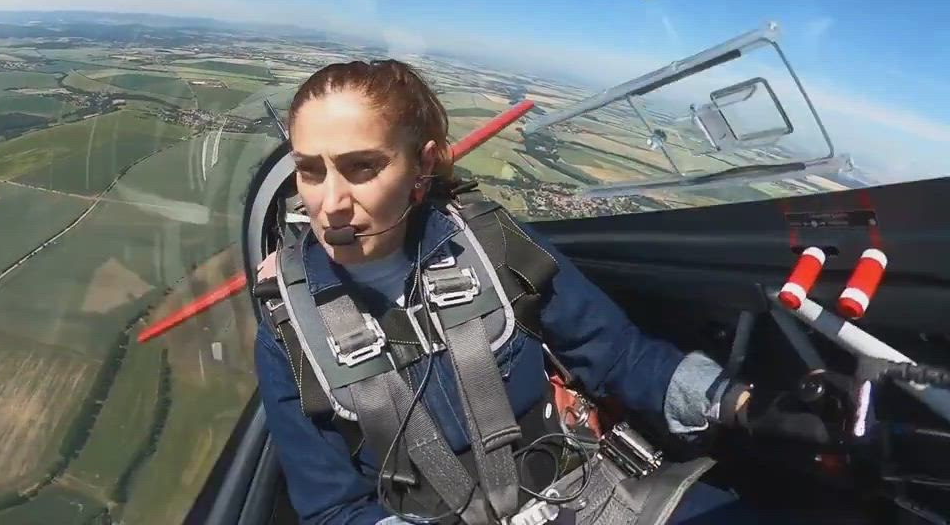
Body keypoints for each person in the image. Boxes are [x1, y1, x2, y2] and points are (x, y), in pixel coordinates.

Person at [252, 60, 822, 525]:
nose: (330, 203)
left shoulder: (489, 242)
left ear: (422, 165)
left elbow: (620, 356)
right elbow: (333, 509)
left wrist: (740, 402)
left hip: (586, 495)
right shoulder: (289, 327)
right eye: (310, 171)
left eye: (361, 168)